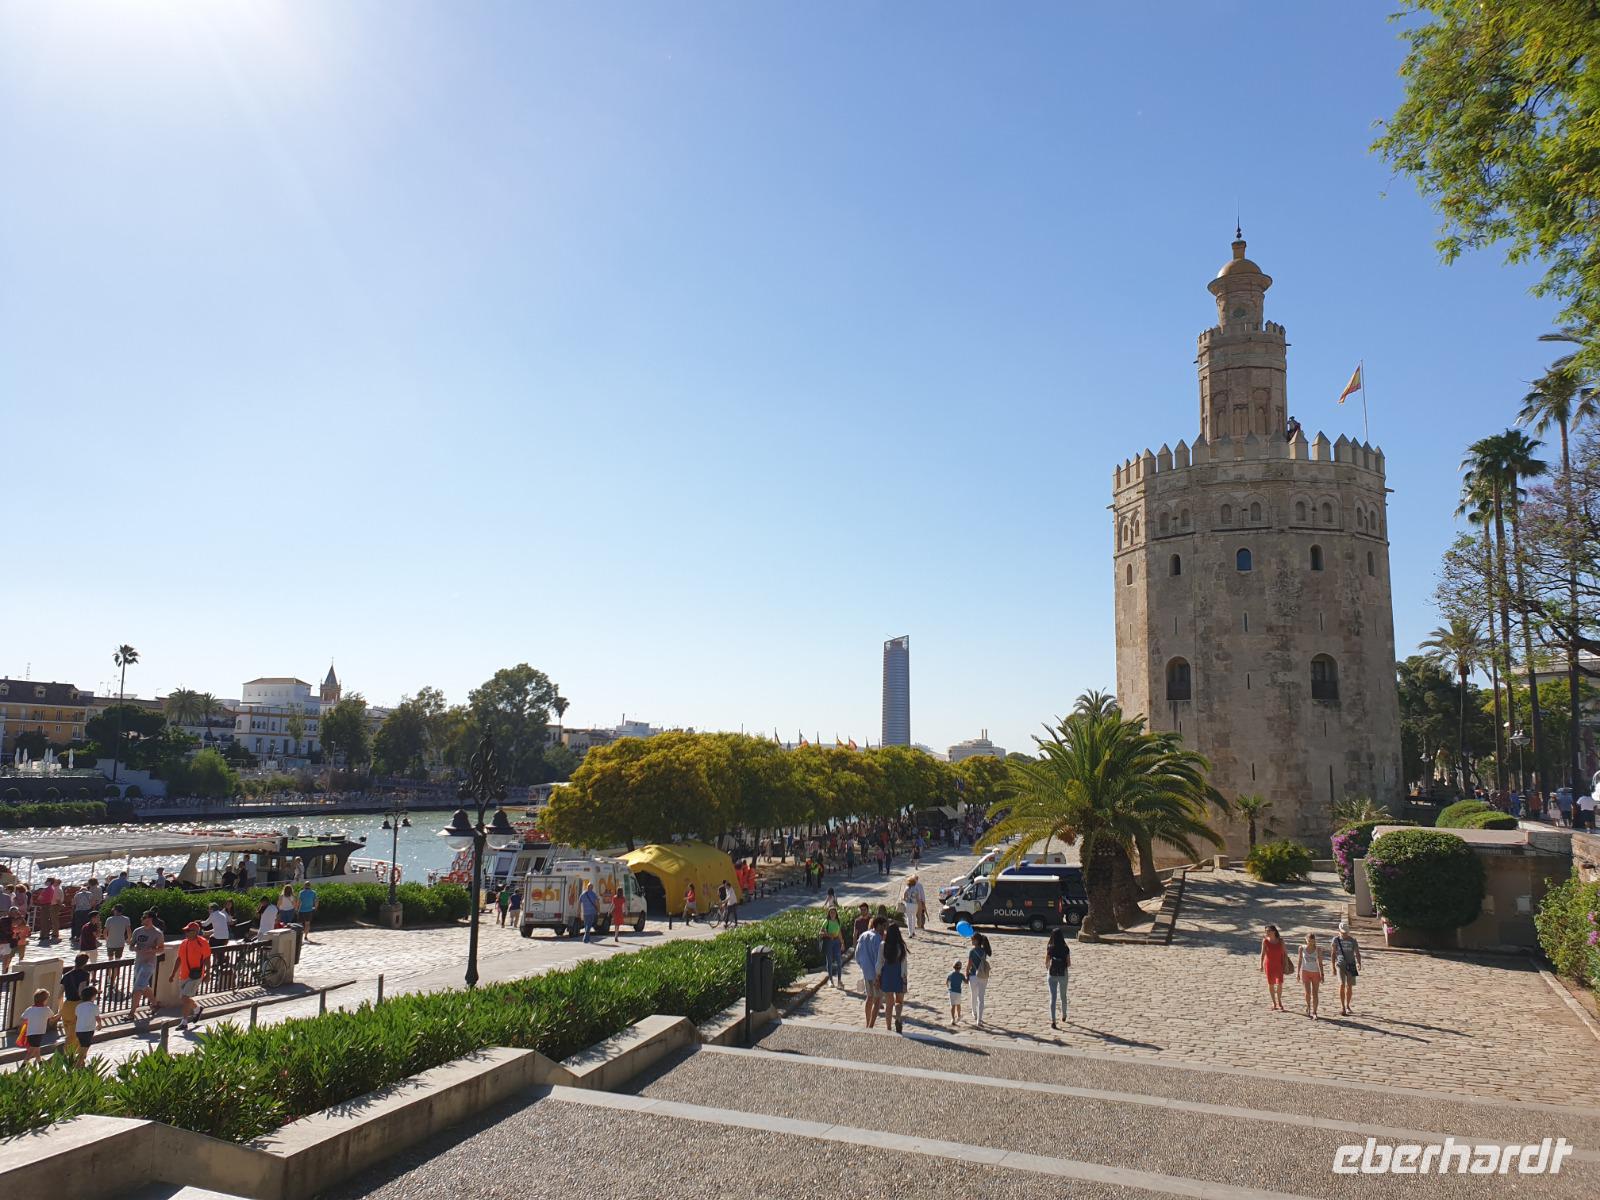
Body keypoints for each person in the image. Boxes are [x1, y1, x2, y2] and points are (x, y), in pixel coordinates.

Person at [170, 921, 211, 1030]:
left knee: (185, 998)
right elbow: (179, 958)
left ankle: (184, 1022)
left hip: (196, 975)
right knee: (185, 999)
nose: (186, 933)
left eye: (189, 931)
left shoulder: (203, 943)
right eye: (186, 931)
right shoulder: (184, 943)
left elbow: (207, 959)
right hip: (183, 974)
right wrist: (173, 973)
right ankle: (197, 1009)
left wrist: (208, 973)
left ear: (196, 932)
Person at [129, 910, 165, 1020]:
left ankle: (131, 1013)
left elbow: (162, 949)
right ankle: (155, 1004)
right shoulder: (137, 931)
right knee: (143, 986)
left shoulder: (157, 933)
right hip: (138, 962)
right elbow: (131, 946)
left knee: (137, 988)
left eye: (144, 917)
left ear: (150, 919)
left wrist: (152, 949)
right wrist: (135, 948)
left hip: (149, 964)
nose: (142, 919)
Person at [855, 916, 885, 1028]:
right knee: (877, 1000)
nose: (884, 929)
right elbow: (879, 959)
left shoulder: (863, 935)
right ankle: (871, 1025)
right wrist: (879, 975)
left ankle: (867, 1022)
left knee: (869, 997)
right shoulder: (877, 939)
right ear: (878, 925)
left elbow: (857, 955)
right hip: (875, 973)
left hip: (866, 972)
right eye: (883, 926)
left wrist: (862, 966)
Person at [879, 923, 909, 1033]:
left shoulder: (883, 945)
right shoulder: (901, 946)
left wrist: (878, 975)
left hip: (887, 974)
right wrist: (904, 976)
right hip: (899, 974)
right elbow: (904, 963)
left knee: (888, 1003)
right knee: (899, 1001)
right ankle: (898, 1017)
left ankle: (888, 1027)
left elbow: (880, 962)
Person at [1330, 920, 1363, 1017]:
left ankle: (1348, 1005)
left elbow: (1357, 952)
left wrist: (1359, 963)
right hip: (1340, 964)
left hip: (1351, 964)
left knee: (1349, 986)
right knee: (1341, 984)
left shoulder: (1353, 940)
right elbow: (1333, 953)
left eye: (1346, 932)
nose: (1344, 934)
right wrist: (1333, 966)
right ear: (1339, 931)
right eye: (1342, 932)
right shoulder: (1335, 940)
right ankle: (1342, 1006)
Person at [61, 952, 91, 1055]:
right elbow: (81, 991)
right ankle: (71, 1056)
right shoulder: (85, 975)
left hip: (67, 1005)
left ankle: (69, 1054)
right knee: (76, 1034)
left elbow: (59, 995)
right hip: (78, 1006)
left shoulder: (66, 975)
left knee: (68, 1032)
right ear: (85, 963)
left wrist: (60, 1011)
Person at [18, 988, 56, 1062]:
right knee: (31, 1051)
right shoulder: (46, 1009)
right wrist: (60, 1013)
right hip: (38, 1033)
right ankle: (23, 1066)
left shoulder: (30, 1009)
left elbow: (22, 1018)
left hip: (30, 1033)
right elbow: (52, 1018)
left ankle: (40, 1063)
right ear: (44, 1000)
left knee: (37, 1049)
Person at [1259, 924, 1290, 1012]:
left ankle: (1279, 1001)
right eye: (1266, 931)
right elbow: (1262, 953)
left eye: (1269, 931)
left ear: (1274, 931)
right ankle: (1274, 1002)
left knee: (1280, 983)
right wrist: (1261, 964)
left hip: (1279, 964)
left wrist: (1286, 964)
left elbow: (1285, 954)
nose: (1267, 933)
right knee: (1271, 983)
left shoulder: (1281, 941)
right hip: (1269, 964)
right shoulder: (1265, 941)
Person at [1046, 927, 1071, 1028]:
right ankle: (1064, 1015)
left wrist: (1049, 968)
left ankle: (1053, 1020)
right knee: (1063, 996)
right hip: (1063, 974)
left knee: (1053, 997)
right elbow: (1069, 964)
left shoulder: (1050, 947)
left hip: (1052, 974)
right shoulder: (1065, 948)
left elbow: (1046, 962)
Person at [71, 984, 102, 1066]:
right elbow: (97, 1017)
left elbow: (76, 1017)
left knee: (82, 1045)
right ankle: (78, 1063)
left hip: (79, 1030)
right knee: (85, 1047)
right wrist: (99, 1024)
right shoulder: (94, 1007)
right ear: (92, 996)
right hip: (88, 1030)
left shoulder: (78, 1006)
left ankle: (82, 1062)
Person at [966, 931, 992, 1027]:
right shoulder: (984, 951)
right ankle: (979, 1020)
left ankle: (974, 1012)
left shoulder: (972, 952)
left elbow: (969, 964)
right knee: (981, 998)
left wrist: (966, 973)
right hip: (983, 975)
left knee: (974, 995)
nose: (971, 941)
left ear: (976, 941)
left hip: (973, 975)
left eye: (972, 939)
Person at [1297, 933, 1326, 1018]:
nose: (1310, 943)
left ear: (1314, 941)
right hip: (1305, 972)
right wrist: (1298, 973)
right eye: (1309, 941)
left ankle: (1315, 1012)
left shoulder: (1318, 949)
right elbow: (1299, 961)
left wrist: (1322, 974)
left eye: (1312, 941)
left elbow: (1320, 963)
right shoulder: (1302, 948)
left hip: (1315, 973)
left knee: (1315, 993)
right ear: (1306, 940)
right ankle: (1308, 1006)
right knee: (1307, 993)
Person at [821, 906, 845, 987]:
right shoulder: (826, 921)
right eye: (831, 912)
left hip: (836, 942)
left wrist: (842, 942)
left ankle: (839, 981)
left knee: (839, 961)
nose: (832, 914)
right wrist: (828, 935)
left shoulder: (838, 921)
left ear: (836, 913)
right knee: (829, 961)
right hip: (828, 942)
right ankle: (830, 980)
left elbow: (839, 932)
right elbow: (820, 932)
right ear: (829, 913)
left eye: (834, 912)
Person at [947, 961, 964, 1025]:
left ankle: (953, 1018)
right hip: (958, 992)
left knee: (952, 1005)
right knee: (958, 1005)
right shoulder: (961, 975)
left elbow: (947, 981)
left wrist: (948, 987)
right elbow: (966, 981)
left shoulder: (950, 974)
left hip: (951, 992)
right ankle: (959, 1016)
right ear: (960, 968)